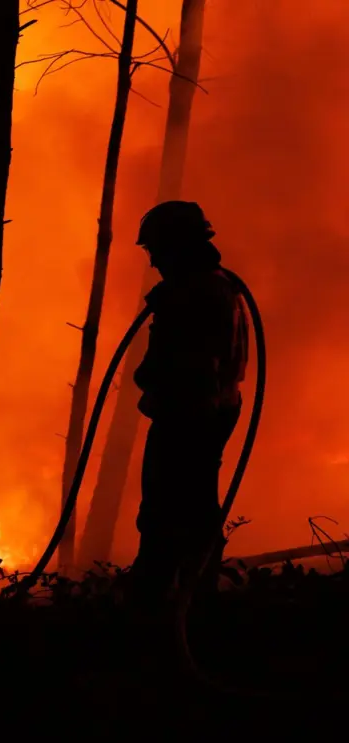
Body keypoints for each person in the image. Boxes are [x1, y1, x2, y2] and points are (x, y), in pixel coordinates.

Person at [130, 200, 249, 602]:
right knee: (194, 509)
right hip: (210, 412)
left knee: (167, 516)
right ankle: (193, 600)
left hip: (188, 417)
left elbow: (180, 366)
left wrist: (145, 376)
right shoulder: (217, 286)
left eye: (156, 252)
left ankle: (160, 606)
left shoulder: (194, 295)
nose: (153, 263)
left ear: (177, 246)